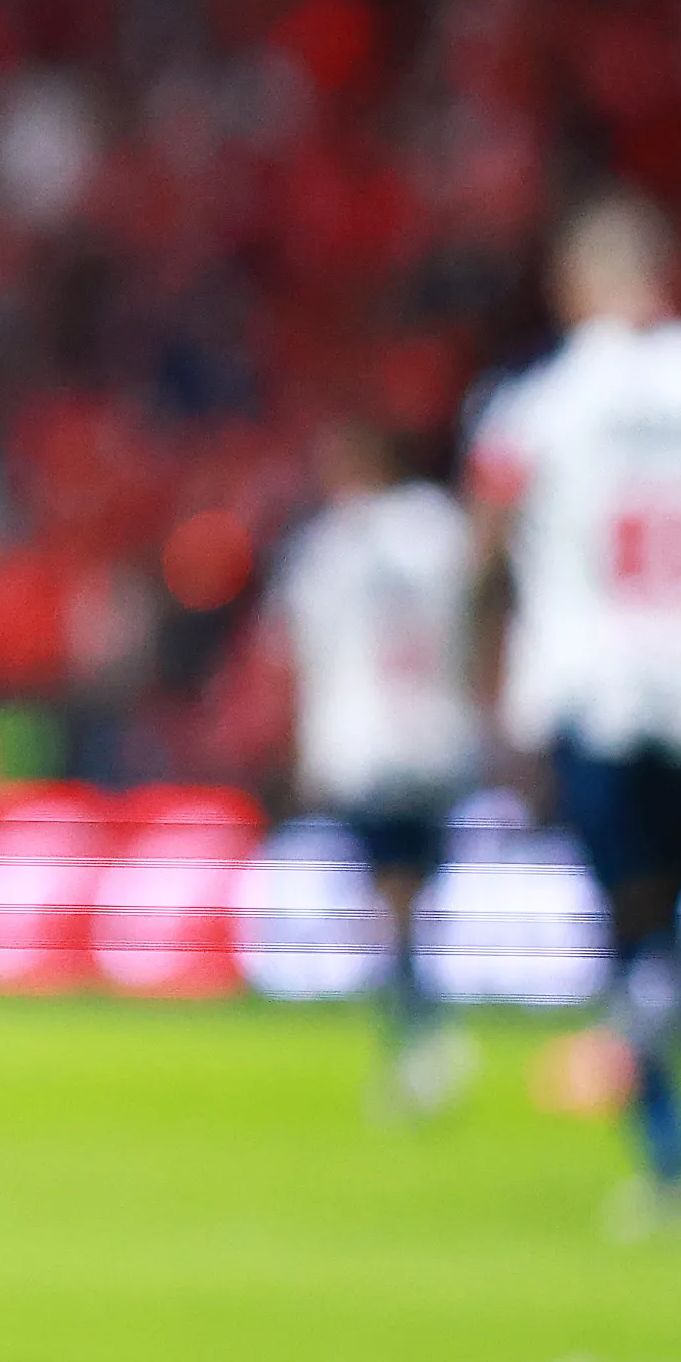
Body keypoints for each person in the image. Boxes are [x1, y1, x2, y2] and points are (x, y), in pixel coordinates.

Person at [469, 193, 681, 1232]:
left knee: (633, 927)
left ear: (578, 287)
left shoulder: (542, 400)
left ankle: (672, 1159)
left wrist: (491, 668)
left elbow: (484, 533)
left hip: (593, 688)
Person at [261, 418, 481, 1121]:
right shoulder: (443, 532)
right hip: (440, 735)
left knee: (390, 899)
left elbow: (299, 647)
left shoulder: (333, 543)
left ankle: (417, 1034)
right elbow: (482, 609)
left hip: (366, 742)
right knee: (413, 892)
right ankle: (422, 1028)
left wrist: (304, 742)